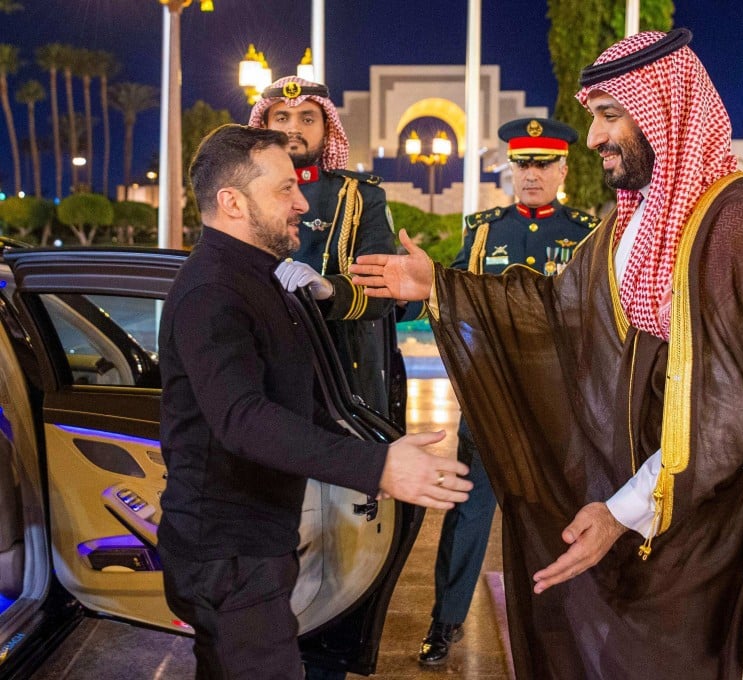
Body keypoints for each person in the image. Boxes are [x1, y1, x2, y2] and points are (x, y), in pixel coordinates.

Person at [351, 28, 743, 680]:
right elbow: (555, 312)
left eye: (611, 115)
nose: (596, 137)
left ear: (665, 110)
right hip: (633, 515)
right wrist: (439, 284)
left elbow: (729, 411)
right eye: (593, 117)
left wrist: (624, 510)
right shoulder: (626, 222)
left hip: (708, 531)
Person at [157, 124, 472, 679]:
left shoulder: (259, 279)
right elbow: (243, 420)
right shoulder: (214, 291)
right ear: (231, 201)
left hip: (253, 543)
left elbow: (300, 393)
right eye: (284, 189)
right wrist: (377, 466)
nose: (303, 201)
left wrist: (383, 444)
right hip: (229, 555)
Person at [417, 117, 598, 666]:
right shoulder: (484, 230)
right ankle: (444, 622)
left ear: (564, 168)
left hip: (558, 404)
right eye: (523, 164)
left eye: (544, 164)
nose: (533, 174)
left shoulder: (588, 232)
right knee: (469, 513)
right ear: (511, 169)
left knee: (562, 515)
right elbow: (451, 294)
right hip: (492, 397)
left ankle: (569, 620)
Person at [249, 76, 403, 424]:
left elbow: (382, 293)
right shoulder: (241, 196)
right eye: (282, 118)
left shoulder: (361, 196)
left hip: (343, 381)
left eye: (307, 118)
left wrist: (330, 288)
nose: (294, 128)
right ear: (265, 125)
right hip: (264, 378)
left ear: (326, 128)